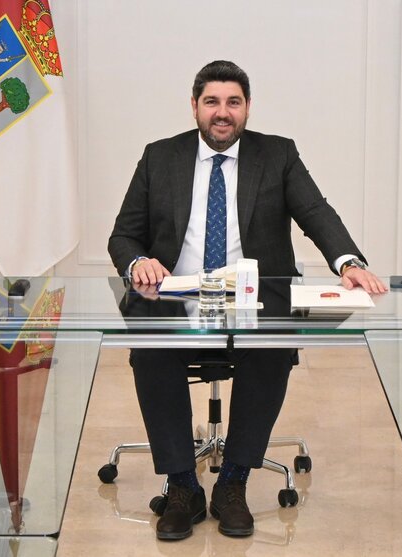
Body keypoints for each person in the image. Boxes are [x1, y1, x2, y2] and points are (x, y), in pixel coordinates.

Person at [108, 61, 387, 540]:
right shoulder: (160, 156)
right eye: (212, 101)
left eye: (233, 102)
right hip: (176, 297)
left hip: (254, 301)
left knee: (271, 347)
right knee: (151, 348)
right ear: (194, 106)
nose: (223, 113)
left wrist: (347, 261)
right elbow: (123, 236)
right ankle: (181, 487)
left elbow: (316, 212)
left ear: (247, 109)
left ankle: (233, 482)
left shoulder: (277, 154)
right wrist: (139, 265)